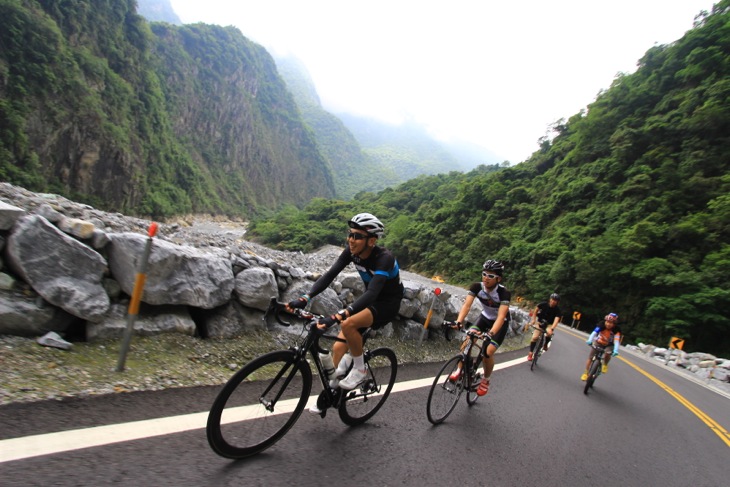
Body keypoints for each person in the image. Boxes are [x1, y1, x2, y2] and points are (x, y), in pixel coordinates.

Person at [287, 213, 404, 398]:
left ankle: (360, 369)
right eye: (350, 234)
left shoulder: (385, 258)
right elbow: (329, 275)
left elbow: (373, 292)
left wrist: (338, 315)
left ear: (372, 241)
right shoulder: (351, 253)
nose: (351, 240)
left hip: (387, 304)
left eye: (357, 236)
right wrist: (305, 298)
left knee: (348, 324)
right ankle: (332, 392)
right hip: (371, 301)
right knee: (338, 349)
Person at [448, 259, 511, 396]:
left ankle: (486, 380)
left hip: (499, 324)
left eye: (491, 276)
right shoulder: (477, 287)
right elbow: (467, 305)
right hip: (484, 318)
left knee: (488, 352)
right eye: (484, 274)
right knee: (469, 338)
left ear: (498, 279)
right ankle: (459, 371)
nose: (486, 278)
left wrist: (491, 333)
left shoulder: (503, 293)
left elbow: (501, 317)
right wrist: (459, 321)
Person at [581, 313, 621, 380]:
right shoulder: (601, 325)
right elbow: (594, 333)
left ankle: (605, 364)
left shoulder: (617, 330)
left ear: (614, 324)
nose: (608, 324)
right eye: (607, 322)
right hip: (599, 342)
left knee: (607, 353)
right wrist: (590, 340)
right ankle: (585, 373)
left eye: (611, 323)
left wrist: (616, 350)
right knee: (590, 357)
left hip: (609, 344)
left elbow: (616, 341)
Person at [525, 293, 563, 361]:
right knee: (535, 337)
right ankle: (530, 353)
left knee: (549, 333)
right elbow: (536, 310)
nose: (553, 301)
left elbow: (556, 320)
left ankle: (545, 344)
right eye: (552, 299)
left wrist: (552, 328)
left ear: (557, 302)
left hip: (549, 324)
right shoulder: (543, 304)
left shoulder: (558, 310)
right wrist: (533, 320)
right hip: (540, 322)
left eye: (555, 300)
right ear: (550, 299)